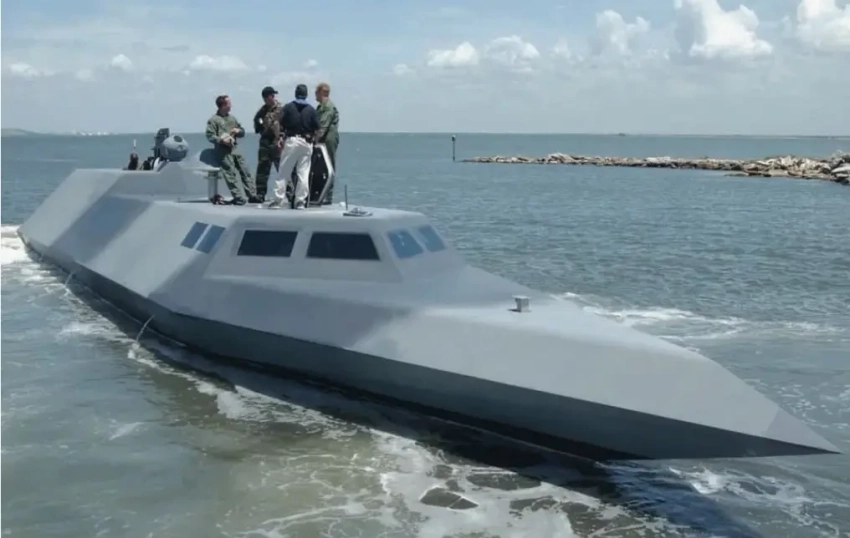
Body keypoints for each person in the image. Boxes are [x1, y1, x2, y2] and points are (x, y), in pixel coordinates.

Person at [268, 84, 320, 209]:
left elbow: (276, 122)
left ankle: (277, 200)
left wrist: (279, 137)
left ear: (296, 93)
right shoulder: (311, 110)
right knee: (303, 173)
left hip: (292, 141)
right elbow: (318, 130)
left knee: (284, 172)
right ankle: (300, 201)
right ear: (306, 94)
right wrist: (314, 141)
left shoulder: (288, 107)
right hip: (306, 142)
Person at [205, 94, 258, 205]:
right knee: (230, 174)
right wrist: (221, 140)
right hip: (223, 151)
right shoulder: (213, 120)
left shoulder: (232, 119)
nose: (231, 105)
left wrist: (239, 131)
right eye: (229, 103)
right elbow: (210, 135)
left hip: (235, 149)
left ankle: (252, 195)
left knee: (245, 171)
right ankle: (238, 197)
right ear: (223, 105)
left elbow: (242, 131)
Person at [252, 86, 283, 202]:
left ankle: (290, 193)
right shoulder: (263, 110)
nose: (273, 98)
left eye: (274, 95)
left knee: (282, 168)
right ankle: (260, 194)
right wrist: (261, 129)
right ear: (266, 98)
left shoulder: (281, 108)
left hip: (277, 141)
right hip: (265, 142)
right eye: (271, 96)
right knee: (262, 169)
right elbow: (256, 120)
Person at [315, 82, 340, 204]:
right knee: (320, 166)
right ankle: (320, 192)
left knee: (329, 165)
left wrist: (314, 140)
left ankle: (328, 195)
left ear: (321, 93)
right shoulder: (320, 107)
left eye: (316, 92)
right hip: (323, 139)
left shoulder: (328, 107)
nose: (315, 95)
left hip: (328, 138)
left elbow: (323, 127)